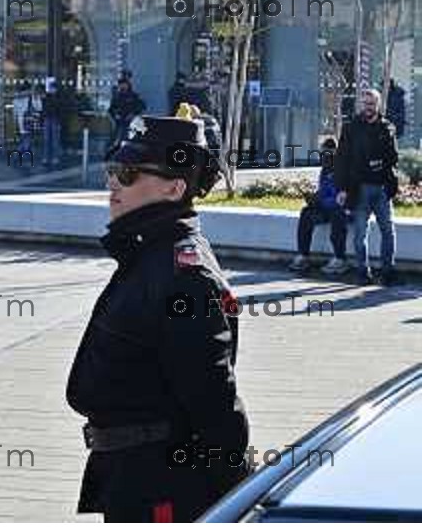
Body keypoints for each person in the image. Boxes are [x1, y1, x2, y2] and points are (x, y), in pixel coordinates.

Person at [66, 113, 250, 522]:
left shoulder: (183, 275)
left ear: (174, 187)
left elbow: (215, 405)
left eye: (129, 173)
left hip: (164, 485)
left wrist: (237, 500)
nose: (114, 182)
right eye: (113, 169)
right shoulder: (150, 252)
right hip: (133, 473)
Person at [335, 88, 399, 286]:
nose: (368, 107)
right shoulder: (351, 128)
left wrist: (392, 183)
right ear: (361, 105)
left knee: (388, 231)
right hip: (359, 188)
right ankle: (363, 272)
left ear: (378, 105)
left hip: (382, 189)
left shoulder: (387, 127)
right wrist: (343, 189)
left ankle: (388, 272)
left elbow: (393, 158)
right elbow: (342, 160)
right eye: (365, 103)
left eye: (372, 104)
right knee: (360, 234)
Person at [289, 138, 349, 275]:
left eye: (328, 153)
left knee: (337, 215)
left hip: (343, 209)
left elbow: (341, 198)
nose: (324, 156)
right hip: (326, 207)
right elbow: (324, 191)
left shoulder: (343, 169)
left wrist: (321, 201)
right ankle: (303, 255)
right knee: (306, 212)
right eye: (322, 153)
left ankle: (340, 258)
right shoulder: (325, 170)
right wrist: (314, 198)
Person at [108, 78, 146, 146]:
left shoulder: (133, 96)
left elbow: (141, 107)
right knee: (115, 139)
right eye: (121, 84)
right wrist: (115, 116)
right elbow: (111, 110)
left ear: (128, 85)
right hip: (119, 123)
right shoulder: (117, 97)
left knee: (128, 139)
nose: (123, 86)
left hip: (131, 123)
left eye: (124, 84)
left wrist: (133, 114)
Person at [42, 78, 63, 167]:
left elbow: (60, 110)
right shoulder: (48, 97)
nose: (52, 90)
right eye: (51, 88)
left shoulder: (57, 97)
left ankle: (54, 157)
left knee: (54, 140)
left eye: (53, 88)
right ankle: (48, 157)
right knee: (48, 140)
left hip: (54, 119)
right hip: (49, 119)